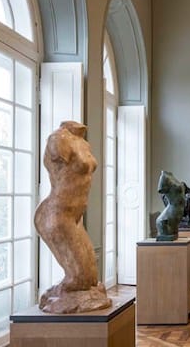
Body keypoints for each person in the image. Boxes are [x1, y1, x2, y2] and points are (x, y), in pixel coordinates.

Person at [35, 121, 111, 313]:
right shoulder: (58, 139)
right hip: (57, 215)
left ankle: (68, 297)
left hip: (75, 217)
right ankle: (63, 302)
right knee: (79, 279)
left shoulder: (82, 142)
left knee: (90, 279)